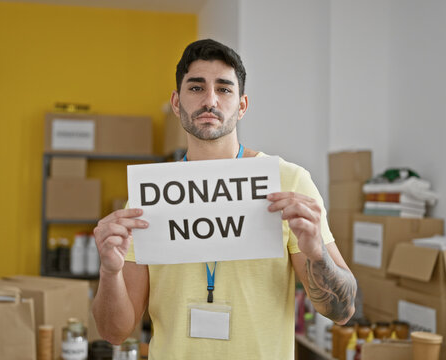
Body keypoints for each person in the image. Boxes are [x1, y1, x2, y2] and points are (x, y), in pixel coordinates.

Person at [92, 39, 356, 359]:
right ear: (177, 102)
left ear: (242, 105)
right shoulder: (148, 196)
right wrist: (109, 272)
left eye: (224, 89)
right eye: (196, 88)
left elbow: (342, 311)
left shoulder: (289, 181)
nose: (210, 100)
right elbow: (114, 332)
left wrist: (316, 254)